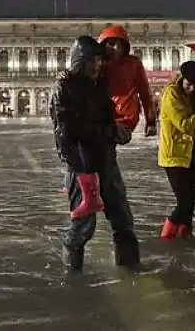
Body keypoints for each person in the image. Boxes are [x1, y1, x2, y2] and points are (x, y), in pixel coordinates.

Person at [50, 35, 141, 272]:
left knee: (123, 221)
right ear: (80, 60)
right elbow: (67, 131)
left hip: (107, 161)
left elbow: (107, 119)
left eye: (100, 60)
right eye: (92, 61)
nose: (97, 65)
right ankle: (72, 276)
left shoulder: (100, 85)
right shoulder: (65, 88)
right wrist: (109, 131)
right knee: (83, 227)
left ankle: (131, 270)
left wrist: (119, 132)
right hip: (81, 165)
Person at [157, 61, 195, 240]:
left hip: (191, 155)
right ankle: (165, 239)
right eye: (188, 84)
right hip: (174, 157)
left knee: (191, 203)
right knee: (183, 203)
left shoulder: (194, 96)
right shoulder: (171, 95)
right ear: (181, 78)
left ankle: (185, 237)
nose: (191, 88)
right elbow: (184, 125)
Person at [97, 24, 157, 137]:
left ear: (124, 47)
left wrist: (151, 121)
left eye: (119, 45)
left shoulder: (133, 64)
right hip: (102, 119)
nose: (115, 48)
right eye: (110, 44)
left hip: (125, 120)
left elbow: (145, 94)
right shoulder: (98, 64)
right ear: (103, 46)